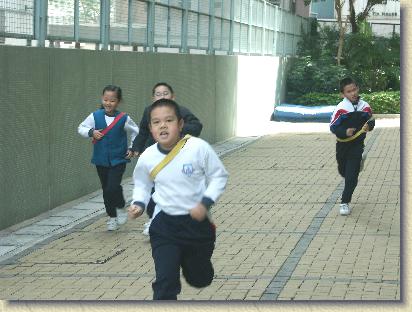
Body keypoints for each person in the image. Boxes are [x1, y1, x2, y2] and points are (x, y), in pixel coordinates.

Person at [128, 99, 228, 300]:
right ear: (150, 128)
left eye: (168, 120)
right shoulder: (147, 156)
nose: (162, 125)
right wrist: (138, 203)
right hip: (165, 226)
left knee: (200, 278)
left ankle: (187, 259)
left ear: (180, 124)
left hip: (197, 225)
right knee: (165, 281)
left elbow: (219, 176)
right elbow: (142, 184)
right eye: (156, 122)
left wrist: (205, 203)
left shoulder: (198, 148)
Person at [131, 82, 203, 235]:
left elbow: (197, 126)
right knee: (152, 189)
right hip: (155, 157)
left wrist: (178, 128)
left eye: (165, 94)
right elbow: (143, 131)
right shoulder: (148, 111)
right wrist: (136, 147)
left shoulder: (180, 111)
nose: (162, 96)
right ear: (153, 98)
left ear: (173, 96)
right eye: (158, 94)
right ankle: (153, 219)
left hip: (176, 155)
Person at [78, 85, 139, 231]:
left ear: (118, 101)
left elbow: (135, 132)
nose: (108, 103)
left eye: (112, 100)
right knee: (106, 189)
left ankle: (120, 206)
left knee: (113, 186)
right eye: (105, 99)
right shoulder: (95, 116)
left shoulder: (124, 118)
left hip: (119, 159)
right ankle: (112, 217)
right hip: (101, 160)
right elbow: (81, 127)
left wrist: (132, 148)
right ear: (102, 99)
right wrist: (91, 132)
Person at [330, 77, 375, 216]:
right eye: (349, 91)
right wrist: (345, 132)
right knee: (343, 171)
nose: (353, 93)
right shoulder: (341, 108)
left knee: (351, 176)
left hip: (357, 145)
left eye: (354, 89)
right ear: (343, 94)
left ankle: (345, 202)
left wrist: (369, 126)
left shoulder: (365, 106)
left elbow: (371, 121)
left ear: (358, 88)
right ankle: (357, 164)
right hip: (342, 146)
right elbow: (333, 127)